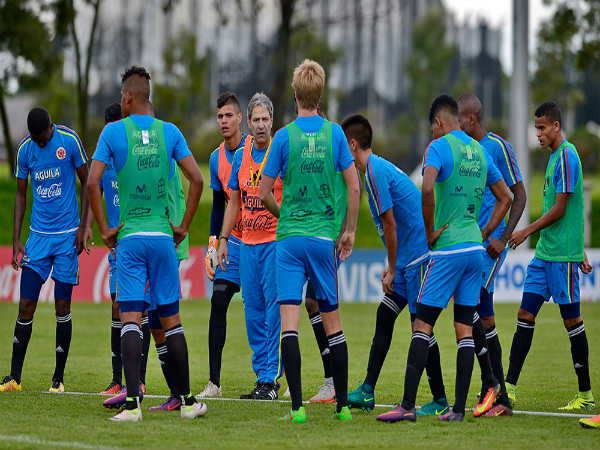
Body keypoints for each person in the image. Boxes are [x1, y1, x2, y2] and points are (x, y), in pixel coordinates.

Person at [377, 94, 512, 423]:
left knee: (422, 325)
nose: (432, 133)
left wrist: (429, 232)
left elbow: (426, 189)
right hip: (474, 250)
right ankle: (458, 410)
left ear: (438, 122)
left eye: (432, 128)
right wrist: (485, 230)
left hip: (448, 249)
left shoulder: (437, 147)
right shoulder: (479, 151)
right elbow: (505, 197)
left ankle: (407, 406)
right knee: (464, 329)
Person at [88, 65, 205, 422]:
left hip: (131, 238)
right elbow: (197, 180)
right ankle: (187, 402)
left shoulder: (113, 132)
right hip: (163, 238)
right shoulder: (170, 132)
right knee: (172, 321)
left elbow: (92, 182)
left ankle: (132, 406)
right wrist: (183, 226)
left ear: (127, 97)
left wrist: (105, 229)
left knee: (130, 319)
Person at [259, 59, 360, 423]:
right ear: (320, 94)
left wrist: (283, 214)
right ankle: (343, 407)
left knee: (290, 324)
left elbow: (263, 191)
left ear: (294, 94)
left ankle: (298, 409)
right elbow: (354, 186)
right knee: (334, 323)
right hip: (322, 238)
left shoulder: (284, 137)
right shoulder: (335, 134)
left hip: (289, 240)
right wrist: (349, 231)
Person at [341, 114, 448, 415]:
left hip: (416, 259)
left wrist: (391, 267)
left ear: (352, 145)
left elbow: (390, 225)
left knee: (421, 329)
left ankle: (440, 399)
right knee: (385, 315)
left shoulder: (374, 172)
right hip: (408, 259)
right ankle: (367, 390)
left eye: (342, 145)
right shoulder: (374, 169)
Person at [507, 101, 594, 412]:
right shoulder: (555, 157)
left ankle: (585, 395)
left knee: (572, 321)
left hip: (561, 257)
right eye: (536, 129)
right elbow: (569, 212)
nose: (538, 134)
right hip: (545, 255)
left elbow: (560, 209)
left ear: (556, 126)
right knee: (525, 314)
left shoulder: (567, 156)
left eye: (542, 128)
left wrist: (526, 231)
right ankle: (508, 389)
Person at [1, 107, 89, 394]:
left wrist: (84, 226)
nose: (40, 142)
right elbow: (20, 195)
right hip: (38, 239)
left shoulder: (69, 140)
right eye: (35, 138)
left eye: (43, 138)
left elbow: (88, 183)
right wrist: (16, 239)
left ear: (51, 127)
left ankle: (58, 379)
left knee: (62, 306)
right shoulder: (25, 150)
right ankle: (14, 378)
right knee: (26, 305)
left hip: (66, 238)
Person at [458, 93, 527, 416]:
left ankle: (493, 389)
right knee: (483, 318)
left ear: (472, 119)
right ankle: (499, 396)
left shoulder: (497, 146)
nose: (456, 124)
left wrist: (502, 237)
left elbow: (518, 194)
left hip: (490, 248)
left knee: (472, 310)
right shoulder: (466, 151)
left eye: (460, 119)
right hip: (473, 245)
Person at [217, 92, 282, 400]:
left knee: (274, 311)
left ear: (272, 121)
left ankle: (271, 379)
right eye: (256, 119)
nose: (260, 125)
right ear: (250, 122)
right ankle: (261, 377)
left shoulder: (280, 152)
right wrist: (223, 240)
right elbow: (234, 201)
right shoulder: (242, 155)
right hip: (247, 245)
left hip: (274, 243)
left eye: (265, 119)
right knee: (253, 312)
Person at [86, 103, 151, 396]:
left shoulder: (136, 153)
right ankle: (116, 380)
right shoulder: (102, 159)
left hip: (137, 242)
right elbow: (94, 192)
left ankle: (139, 379)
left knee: (138, 311)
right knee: (117, 309)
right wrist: (88, 226)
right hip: (116, 248)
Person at [198, 92, 252, 399]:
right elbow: (218, 204)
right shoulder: (215, 157)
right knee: (218, 299)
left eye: (229, 115)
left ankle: (274, 377)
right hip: (231, 244)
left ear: (240, 118)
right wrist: (213, 243)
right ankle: (214, 382)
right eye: (219, 116)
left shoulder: (256, 148)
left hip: (259, 240)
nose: (223, 121)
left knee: (264, 310)